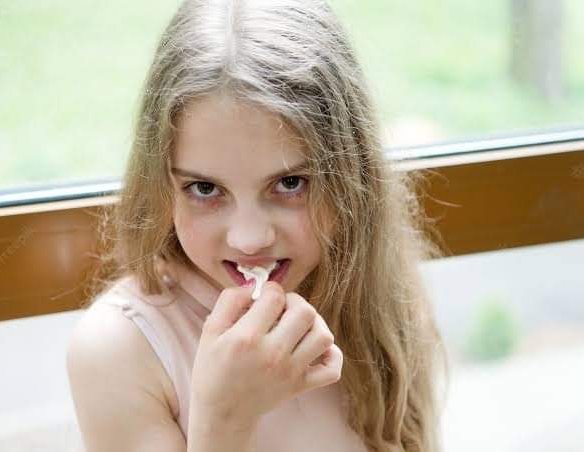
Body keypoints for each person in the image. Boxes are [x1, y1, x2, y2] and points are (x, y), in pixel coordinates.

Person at [66, 0, 450, 451]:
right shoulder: (120, 350)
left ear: (353, 177)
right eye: (205, 189)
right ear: (160, 183)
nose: (248, 240)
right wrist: (224, 422)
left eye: (290, 183)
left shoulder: (372, 292)